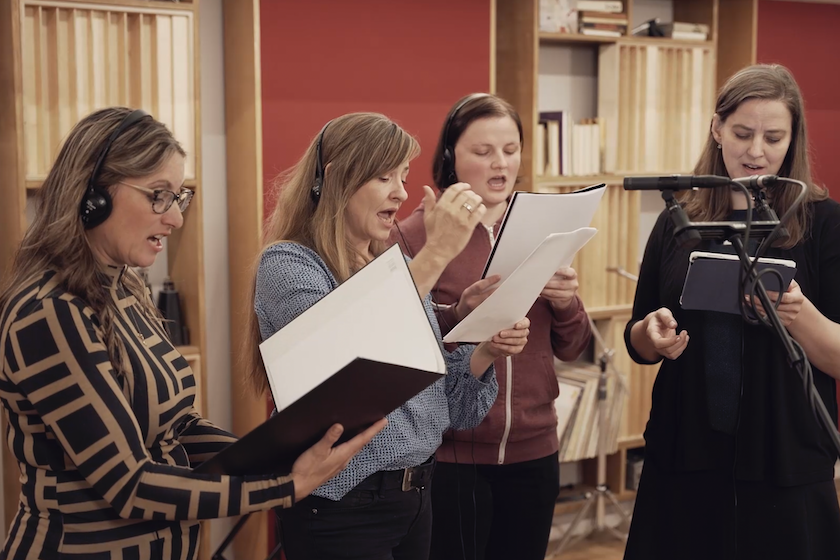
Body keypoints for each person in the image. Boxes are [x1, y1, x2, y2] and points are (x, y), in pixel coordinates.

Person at [0, 107, 385, 560]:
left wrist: (279, 453)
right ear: (92, 196)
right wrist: (285, 486)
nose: (175, 218)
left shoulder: (124, 288)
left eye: (177, 197)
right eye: (158, 196)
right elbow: (128, 484)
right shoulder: (50, 312)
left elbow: (177, 428)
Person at [244, 112, 531, 560]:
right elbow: (341, 365)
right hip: (343, 505)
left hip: (416, 497)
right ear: (336, 178)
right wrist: (437, 254)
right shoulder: (289, 263)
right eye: (384, 177)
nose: (400, 192)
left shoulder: (396, 270)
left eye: (403, 177)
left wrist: (485, 351)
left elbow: (451, 406)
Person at [624, 64, 840, 560]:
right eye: (742, 133)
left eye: (773, 137)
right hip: (686, 457)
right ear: (717, 128)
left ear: (793, 139)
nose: (756, 151)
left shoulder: (824, 224)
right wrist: (650, 334)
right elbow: (638, 339)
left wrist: (797, 314)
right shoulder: (678, 218)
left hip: (786, 463)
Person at [392, 93, 592, 560]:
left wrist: (567, 303)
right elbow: (396, 346)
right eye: (483, 152)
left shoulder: (548, 228)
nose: (501, 163)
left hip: (535, 450)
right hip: (449, 455)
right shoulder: (415, 234)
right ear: (450, 157)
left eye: (511, 149)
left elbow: (573, 347)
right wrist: (459, 313)